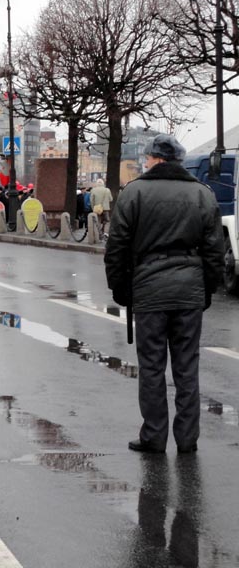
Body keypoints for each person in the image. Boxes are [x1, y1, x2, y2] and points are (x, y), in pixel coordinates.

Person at [104, 134, 224, 454]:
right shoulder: (202, 194)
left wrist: (120, 287)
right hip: (189, 289)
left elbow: (116, 247)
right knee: (187, 367)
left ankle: (154, 436)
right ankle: (187, 438)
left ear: (155, 159)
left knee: (152, 366)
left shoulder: (134, 193)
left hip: (148, 287)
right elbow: (215, 250)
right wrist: (208, 287)